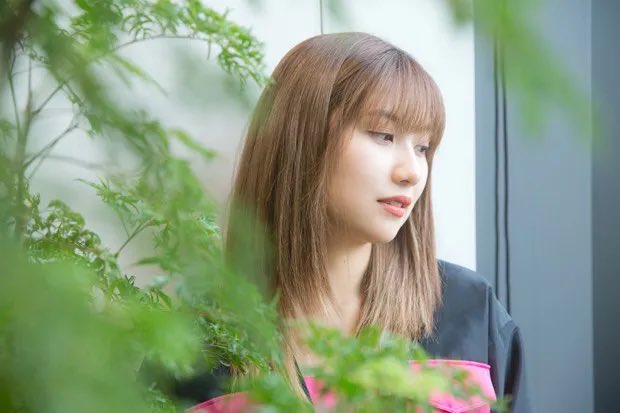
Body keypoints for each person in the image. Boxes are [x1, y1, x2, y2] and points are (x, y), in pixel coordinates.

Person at [142, 32, 530, 412]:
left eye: (423, 147)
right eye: (384, 135)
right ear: (303, 140)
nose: (412, 172)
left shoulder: (469, 313)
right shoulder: (194, 346)